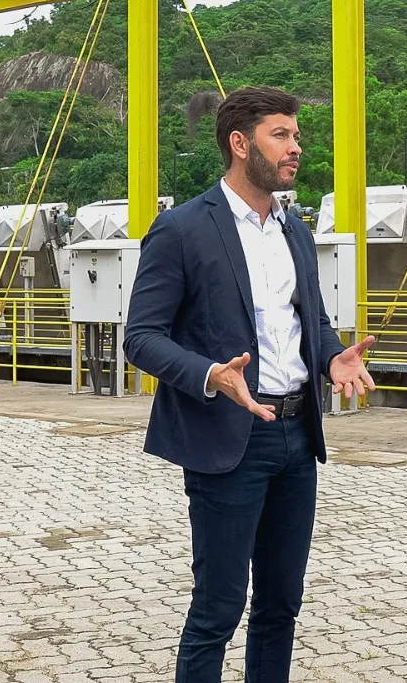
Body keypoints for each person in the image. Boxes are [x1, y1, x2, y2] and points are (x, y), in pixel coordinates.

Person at [124, 85, 377, 683]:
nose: (296, 148)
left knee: (280, 606)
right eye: (281, 135)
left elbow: (306, 317)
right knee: (218, 607)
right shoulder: (182, 229)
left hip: (297, 436)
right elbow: (141, 336)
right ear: (240, 144)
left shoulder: (296, 232)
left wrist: (333, 356)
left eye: (296, 135)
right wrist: (211, 375)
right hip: (229, 439)